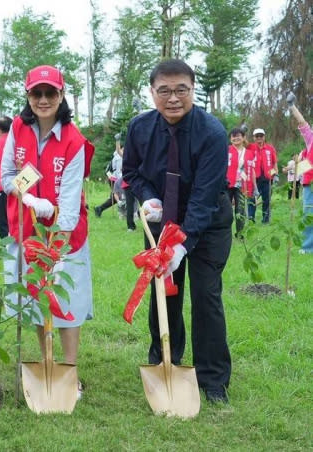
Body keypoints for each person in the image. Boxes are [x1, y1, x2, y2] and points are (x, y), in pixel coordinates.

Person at [122, 59, 233, 403]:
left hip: (208, 224)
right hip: (161, 223)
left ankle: (213, 379)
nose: (173, 98)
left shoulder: (212, 133)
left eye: (181, 90)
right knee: (163, 294)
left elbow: (204, 197)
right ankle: (165, 357)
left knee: (205, 296)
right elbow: (131, 173)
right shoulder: (140, 128)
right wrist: (148, 196)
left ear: (192, 90)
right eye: (164, 90)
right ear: (152, 92)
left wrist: (182, 248)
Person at [0, 65, 94, 398]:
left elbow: (69, 203)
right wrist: (26, 195)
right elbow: (6, 174)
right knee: (38, 299)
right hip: (26, 232)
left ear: (61, 95)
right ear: (27, 96)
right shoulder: (18, 128)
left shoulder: (74, 140)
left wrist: (56, 248)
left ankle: (68, 369)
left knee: (66, 300)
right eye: (36, 93)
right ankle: (46, 362)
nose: (43, 100)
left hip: (65, 236)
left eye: (50, 93)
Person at [288, 101, 313, 254]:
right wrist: (292, 106)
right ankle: (308, 247)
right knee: (309, 215)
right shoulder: (311, 140)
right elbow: (302, 122)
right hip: (310, 184)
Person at [249, 128, 278, 224]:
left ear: (264, 137)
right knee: (252, 199)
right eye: (257, 136)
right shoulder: (250, 147)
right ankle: (251, 219)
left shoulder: (270, 148)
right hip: (254, 179)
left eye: (261, 136)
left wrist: (276, 174)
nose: (259, 138)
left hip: (267, 179)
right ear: (253, 138)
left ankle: (265, 219)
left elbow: (274, 163)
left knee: (267, 200)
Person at [94, 135, 123, 218]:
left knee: (115, 197)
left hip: (112, 178)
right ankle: (99, 208)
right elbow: (118, 170)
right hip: (116, 179)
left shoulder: (116, 155)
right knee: (117, 197)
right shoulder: (119, 157)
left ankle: (99, 208)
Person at [226, 128, 248, 237]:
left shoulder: (248, 152)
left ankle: (240, 234)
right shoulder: (226, 150)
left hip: (241, 184)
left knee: (240, 210)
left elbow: (251, 170)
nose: (236, 138)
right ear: (230, 139)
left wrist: (254, 188)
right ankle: (225, 233)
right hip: (227, 184)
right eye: (233, 136)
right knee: (226, 209)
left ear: (244, 138)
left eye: (238, 135)